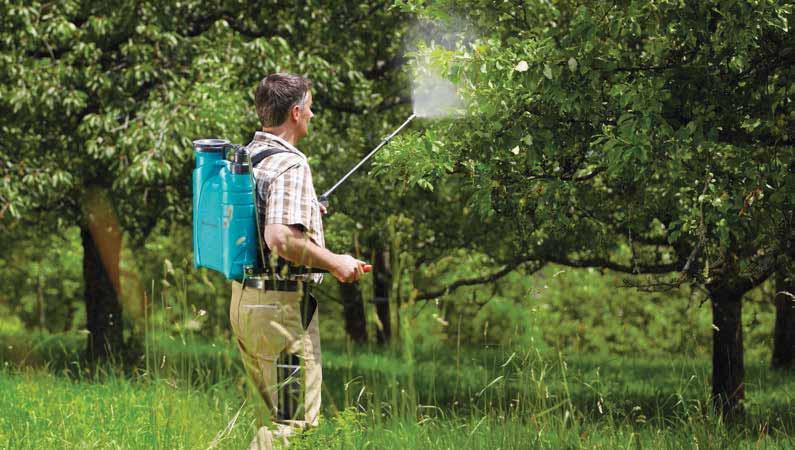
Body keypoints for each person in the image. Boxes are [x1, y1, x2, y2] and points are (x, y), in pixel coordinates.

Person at [229, 73, 367, 449]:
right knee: (293, 423)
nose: (312, 114)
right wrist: (335, 261)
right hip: (280, 311)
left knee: (268, 416)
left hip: (244, 302)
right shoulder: (291, 165)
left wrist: (309, 211)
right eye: (309, 107)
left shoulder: (247, 156)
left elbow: (258, 223)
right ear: (295, 112)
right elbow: (279, 238)